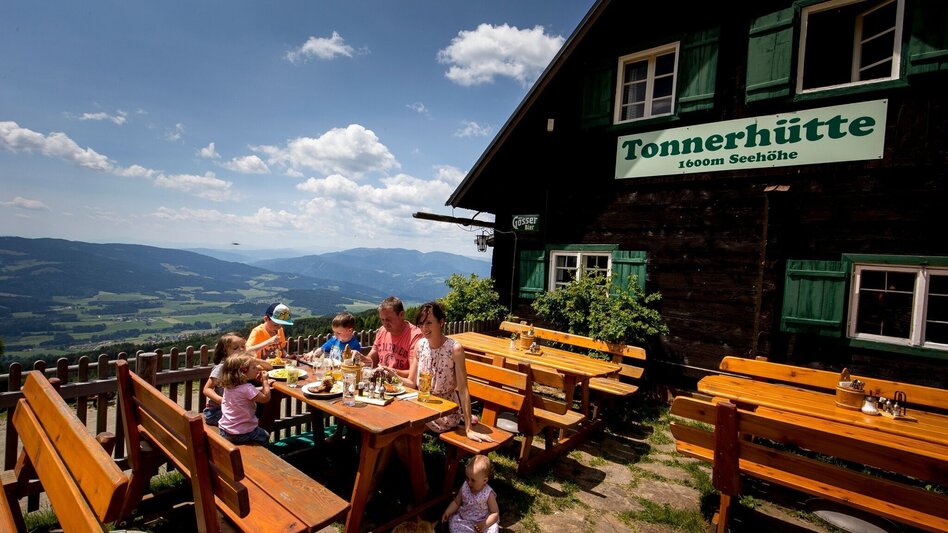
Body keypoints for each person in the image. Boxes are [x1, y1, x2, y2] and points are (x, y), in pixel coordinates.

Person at [412, 301, 491, 441]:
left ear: (441, 322)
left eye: (429, 323)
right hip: (421, 405)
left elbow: (463, 389)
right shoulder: (419, 346)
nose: (424, 328)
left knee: (408, 431)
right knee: (395, 429)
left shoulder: (454, 349)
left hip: (445, 412)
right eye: (421, 324)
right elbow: (412, 381)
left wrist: (468, 428)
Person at [203, 332, 264, 425]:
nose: (240, 350)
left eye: (243, 347)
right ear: (224, 351)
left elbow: (267, 367)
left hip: (234, 409)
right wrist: (222, 401)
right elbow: (207, 389)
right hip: (216, 411)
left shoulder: (242, 366)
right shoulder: (221, 368)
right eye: (235, 348)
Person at [217, 353, 273, 445]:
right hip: (242, 433)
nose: (258, 369)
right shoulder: (247, 388)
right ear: (243, 372)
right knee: (265, 436)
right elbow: (265, 398)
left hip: (225, 430)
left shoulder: (229, 386)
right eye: (254, 368)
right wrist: (265, 381)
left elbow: (246, 394)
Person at [366, 296, 422, 382]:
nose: (385, 324)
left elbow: (413, 373)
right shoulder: (382, 331)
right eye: (382, 320)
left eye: (388, 320)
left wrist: (391, 372)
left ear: (401, 315)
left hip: (402, 387)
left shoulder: (415, 336)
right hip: (381, 383)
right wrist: (362, 358)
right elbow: (372, 358)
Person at [442, 455, 500, 533]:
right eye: (467, 478)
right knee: (454, 524)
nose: (469, 482)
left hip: (483, 522)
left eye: (473, 480)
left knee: (493, 528)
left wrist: (484, 524)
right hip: (465, 519)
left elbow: (495, 513)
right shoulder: (465, 486)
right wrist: (448, 511)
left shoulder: (488, 494)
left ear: (485, 480)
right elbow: (456, 502)